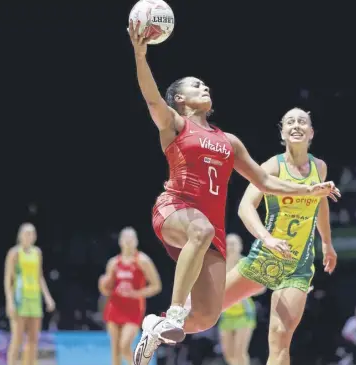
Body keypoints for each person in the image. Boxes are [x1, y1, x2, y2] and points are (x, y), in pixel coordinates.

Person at [127, 22, 340, 365]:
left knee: (208, 316)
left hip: (211, 232)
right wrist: (140, 54)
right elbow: (151, 96)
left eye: (205, 83)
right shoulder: (175, 125)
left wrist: (308, 189)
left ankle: (156, 325)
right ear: (180, 100)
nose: (205, 86)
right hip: (175, 209)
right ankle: (176, 310)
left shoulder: (230, 142)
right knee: (201, 230)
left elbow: (266, 182)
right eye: (196, 85)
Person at [218, 107, 339, 365]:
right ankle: (161, 326)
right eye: (290, 122)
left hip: (298, 265)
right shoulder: (272, 166)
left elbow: (321, 204)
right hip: (265, 257)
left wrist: (327, 243)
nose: (296, 125)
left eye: (302, 122)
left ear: (311, 133)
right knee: (205, 312)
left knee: (280, 335)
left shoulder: (320, 168)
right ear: (282, 133)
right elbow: (245, 207)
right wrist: (267, 238)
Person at [99, 227, 162, 365]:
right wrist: (102, 285)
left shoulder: (143, 261)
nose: (128, 241)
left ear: (136, 241)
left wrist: (136, 294)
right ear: (120, 241)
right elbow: (106, 290)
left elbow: (156, 286)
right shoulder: (113, 263)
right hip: (114, 307)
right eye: (125, 238)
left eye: (131, 238)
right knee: (115, 349)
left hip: (134, 309)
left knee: (124, 345)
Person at [4, 223, 55, 365]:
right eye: (26, 233)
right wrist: (9, 302)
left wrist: (48, 297)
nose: (29, 236)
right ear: (20, 236)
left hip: (35, 299)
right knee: (17, 339)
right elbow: (8, 280)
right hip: (20, 299)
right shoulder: (14, 253)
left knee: (33, 340)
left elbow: (40, 277)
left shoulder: (37, 252)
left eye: (32, 233)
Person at [218, 234, 261, 365]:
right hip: (225, 314)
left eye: (233, 244)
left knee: (239, 352)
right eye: (228, 243)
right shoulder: (219, 265)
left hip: (244, 314)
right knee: (229, 354)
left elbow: (261, 287)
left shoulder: (246, 264)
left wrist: (243, 291)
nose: (230, 247)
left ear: (240, 246)